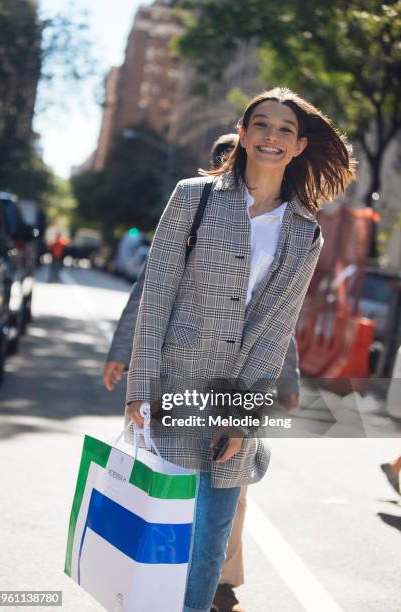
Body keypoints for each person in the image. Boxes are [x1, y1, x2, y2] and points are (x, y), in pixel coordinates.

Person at [125, 86, 356, 612]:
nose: (272, 136)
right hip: (175, 387)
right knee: (163, 535)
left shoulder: (304, 231)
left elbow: (275, 330)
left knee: (209, 547)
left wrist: (244, 420)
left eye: (284, 130)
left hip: (236, 398)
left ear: (298, 146)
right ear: (245, 134)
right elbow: (156, 296)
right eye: (262, 125)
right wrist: (140, 390)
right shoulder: (194, 197)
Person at [104, 133, 300, 612]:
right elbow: (153, 287)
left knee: (226, 500)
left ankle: (216, 584)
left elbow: (281, 318)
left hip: (240, 384)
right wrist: (126, 355)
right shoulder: (194, 207)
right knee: (168, 494)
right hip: (181, 378)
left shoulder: (290, 227)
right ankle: (151, 587)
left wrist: (279, 384)